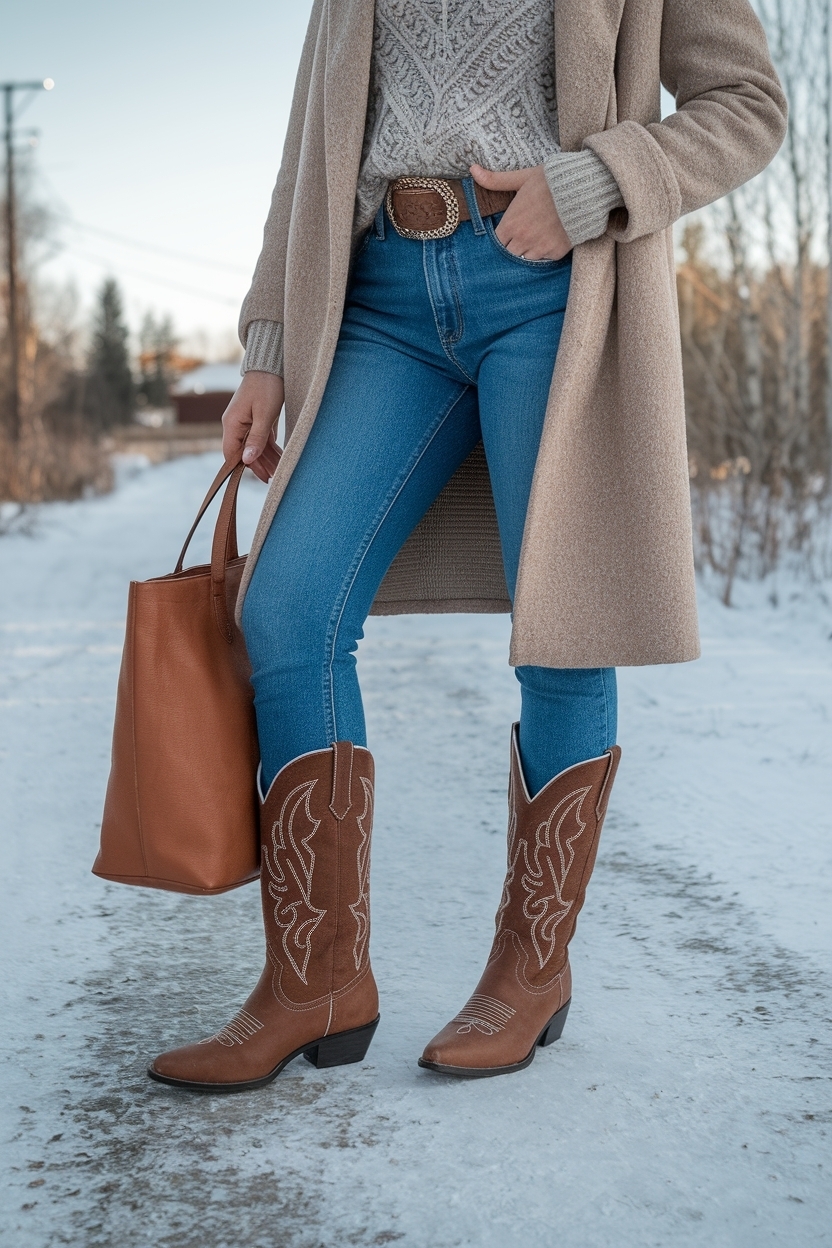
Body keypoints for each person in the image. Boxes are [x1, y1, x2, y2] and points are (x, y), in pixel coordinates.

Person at [148, 0, 786, 1091]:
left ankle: (530, 971)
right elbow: (312, 140)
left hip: (548, 287)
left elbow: (748, 109)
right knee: (287, 607)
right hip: (376, 297)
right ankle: (314, 983)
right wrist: (266, 344)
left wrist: (591, 183)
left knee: (562, 623)